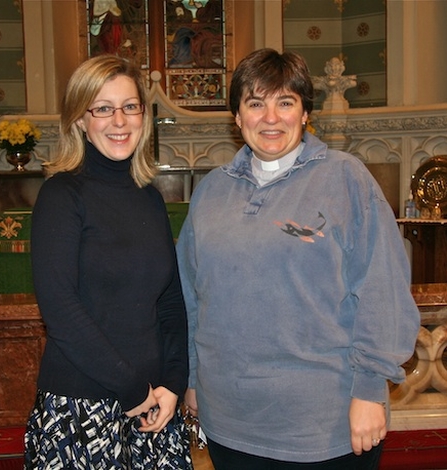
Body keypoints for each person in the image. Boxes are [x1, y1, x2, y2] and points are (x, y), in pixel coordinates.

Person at [176, 48, 420, 470]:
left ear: (305, 113)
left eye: (285, 102)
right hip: (228, 420)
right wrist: (194, 378)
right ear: (237, 117)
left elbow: (384, 290)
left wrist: (369, 389)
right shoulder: (211, 191)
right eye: (255, 103)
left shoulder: (345, 178)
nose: (271, 117)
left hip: (321, 424)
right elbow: (191, 297)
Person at [24, 54, 193, 469]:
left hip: (154, 406)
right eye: (103, 108)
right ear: (80, 119)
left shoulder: (149, 197)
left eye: (130, 106)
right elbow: (61, 309)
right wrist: (133, 388)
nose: (119, 121)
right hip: (82, 406)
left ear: (143, 115)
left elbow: (170, 300)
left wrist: (174, 381)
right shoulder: (62, 196)